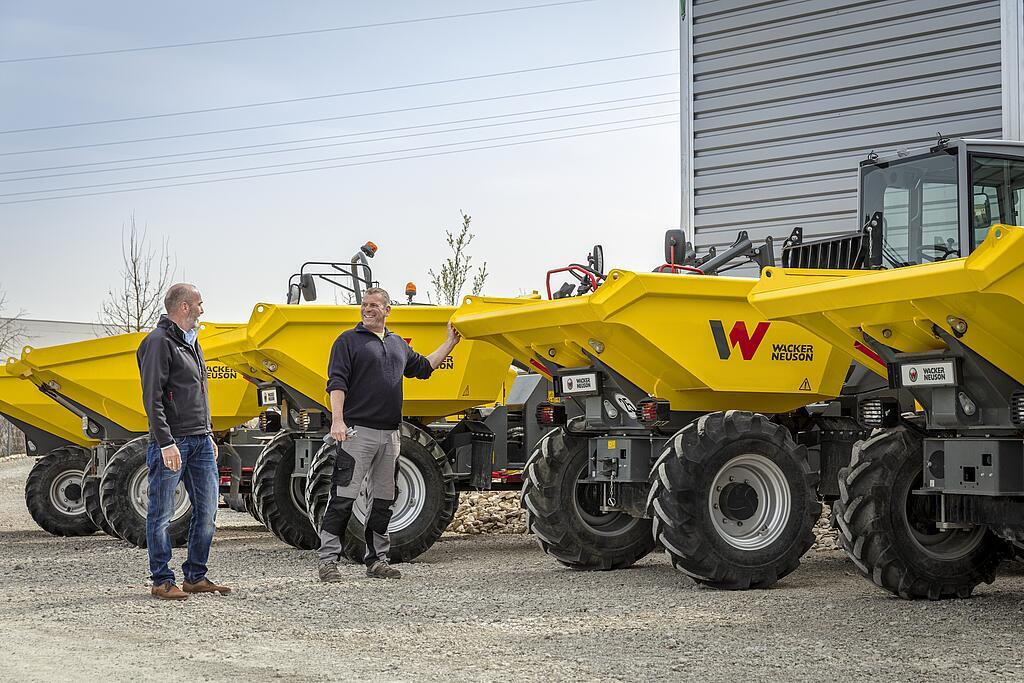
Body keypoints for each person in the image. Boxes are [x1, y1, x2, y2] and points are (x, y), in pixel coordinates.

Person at [317, 286, 460, 581]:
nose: (367, 309)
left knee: (383, 500)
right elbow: (337, 384)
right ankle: (328, 560)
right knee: (343, 497)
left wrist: (450, 342)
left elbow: (425, 367)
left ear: (387, 310)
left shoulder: (397, 344)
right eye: (364, 304)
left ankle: (377, 560)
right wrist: (338, 421)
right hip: (358, 434)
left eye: (373, 305)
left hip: (391, 435)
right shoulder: (347, 341)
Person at [137, 283, 231, 601]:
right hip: (172, 441)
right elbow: (153, 398)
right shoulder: (158, 343)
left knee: (207, 510)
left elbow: (199, 394)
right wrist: (165, 442)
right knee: (161, 513)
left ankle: (195, 576)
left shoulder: (192, 343)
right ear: (185, 307)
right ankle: (162, 580)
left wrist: (209, 433)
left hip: (200, 440)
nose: (203, 310)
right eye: (200, 304)